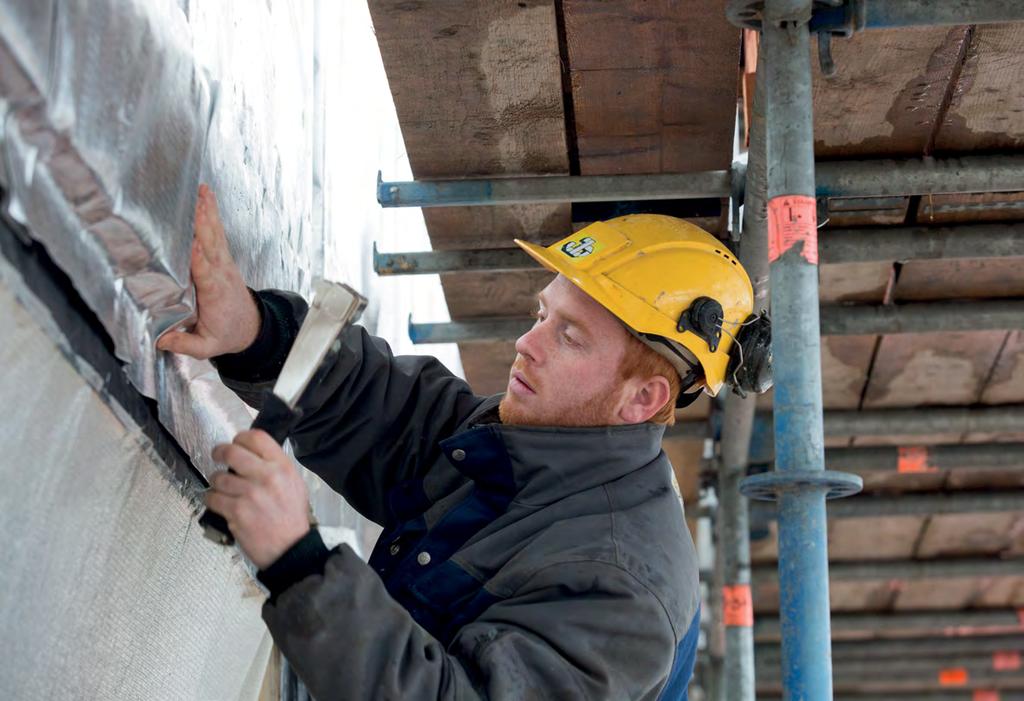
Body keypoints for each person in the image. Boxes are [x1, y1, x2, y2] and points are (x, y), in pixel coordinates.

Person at [157, 184, 757, 700]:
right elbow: (389, 415)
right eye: (542, 314)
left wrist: (300, 563)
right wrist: (254, 333)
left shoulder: (622, 591)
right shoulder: (531, 444)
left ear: (644, 399)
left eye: (569, 336)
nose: (529, 343)